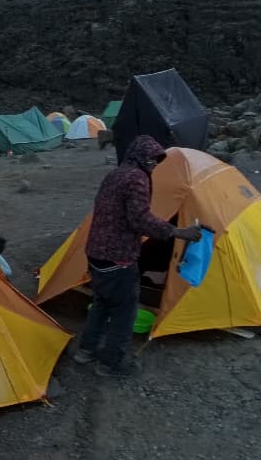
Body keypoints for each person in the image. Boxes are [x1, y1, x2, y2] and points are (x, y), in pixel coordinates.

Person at [74, 135, 202, 377]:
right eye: (152, 161)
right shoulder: (137, 178)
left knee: (101, 304)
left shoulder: (115, 174)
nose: (154, 166)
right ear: (142, 158)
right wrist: (178, 232)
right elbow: (139, 219)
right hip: (118, 257)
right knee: (124, 313)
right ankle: (111, 364)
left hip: (96, 254)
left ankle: (85, 351)